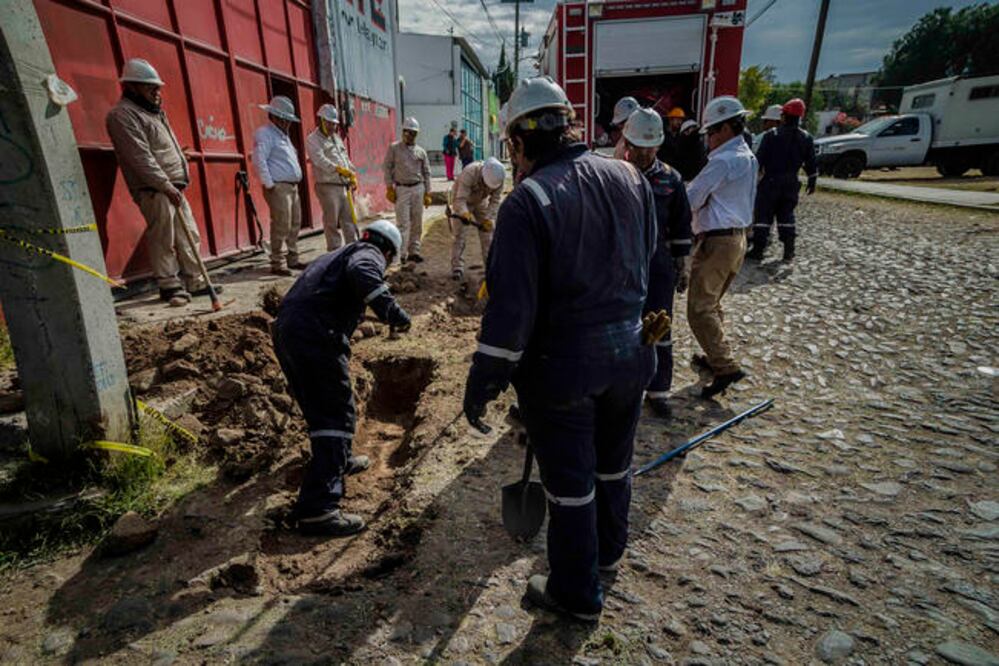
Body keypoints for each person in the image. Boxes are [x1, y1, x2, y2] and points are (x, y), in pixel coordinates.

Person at [463, 77, 656, 621]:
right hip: (632, 351)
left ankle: (576, 593)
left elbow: (510, 313)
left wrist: (484, 380)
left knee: (570, 486)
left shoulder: (527, 201)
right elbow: (647, 259)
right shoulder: (630, 177)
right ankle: (608, 552)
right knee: (614, 465)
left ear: (519, 142)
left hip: (565, 372)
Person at [273, 219, 412, 536]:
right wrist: (391, 310)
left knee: (320, 408)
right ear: (388, 252)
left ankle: (339, 458)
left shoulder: (338, 254)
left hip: (289, 332)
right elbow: (363, 271)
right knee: (337, 413)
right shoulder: (369, 253)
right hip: (315, 335)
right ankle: (318, 509)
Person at [106, 58, 217, 307]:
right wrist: (165, 185)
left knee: (189, 235)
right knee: (163, 238)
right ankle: (169, 286)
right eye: (150, 87)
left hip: (173, 186)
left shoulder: (154, 113)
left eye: (157, 88)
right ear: (131, 86)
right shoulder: (123, 115)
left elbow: (158, 148)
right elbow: (140, 158)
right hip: (155, 189)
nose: (157, 92)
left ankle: (196, 281)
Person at [622, 109, 693, 419]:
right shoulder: (614, 176)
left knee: (659, 326)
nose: (644, 154)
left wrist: (683, 264)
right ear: (627, 143)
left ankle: (659, 390)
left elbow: (681, 225)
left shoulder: (671, 179)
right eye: (638, 147)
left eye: (650, 148)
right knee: (623, 326)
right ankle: (623, 388)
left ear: (659, 145)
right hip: (621, 264)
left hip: (658, 265)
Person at [685, 96, 758, 398]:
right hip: (737, 238)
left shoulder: (723, 161)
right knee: (712, 304)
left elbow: (692, 199)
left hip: (718, 241)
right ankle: (715, 356)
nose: (709, 139)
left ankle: (725, 366)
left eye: (712, 132)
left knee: (699, 308)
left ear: (727, 128)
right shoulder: (747, 156)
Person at [748, 98, 817, 262]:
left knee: (763, 215)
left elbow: (759, 160)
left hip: (771, 181)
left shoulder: (771, 135)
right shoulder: (806, 137)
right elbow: (811, 162)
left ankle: (758, 250)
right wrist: (812, 181)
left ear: (783, 116)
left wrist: (752, 180)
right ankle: (789, 250)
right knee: (786, 215)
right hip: (791, 183)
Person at [254, 95, 305, 276]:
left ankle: (292, 258)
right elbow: (259, 159)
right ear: (276, 117)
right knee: (282, 224)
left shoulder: (283, 136)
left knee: (294, 223)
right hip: (278, 186)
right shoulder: (265, 134)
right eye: (285, 119)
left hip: (291, 186)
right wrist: (269, 184)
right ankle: (278, 261)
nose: (288, 123)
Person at [306, 104, 358, 252]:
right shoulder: (313, 139)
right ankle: (335, 251)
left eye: (334, 124)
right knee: (332, 222)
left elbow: (345, 158)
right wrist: (337, 169)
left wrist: (352, 174)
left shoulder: (336, 138)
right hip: (327, 186)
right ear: (320, 120)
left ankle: (352, 249)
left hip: (344, 185)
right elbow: (318, 159)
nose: (332, 127)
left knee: (349, 220)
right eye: (329, 123)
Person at [383, 117, 432, 263]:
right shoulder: (394, 149)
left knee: (417, 223)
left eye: (413, 133)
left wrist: (428, 193)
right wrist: (389, 187)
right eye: (407, 132)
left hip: (418, 188)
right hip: (402, 189)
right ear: (403, 132)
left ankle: (414, 251)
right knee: (403, 224)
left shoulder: (421, 152)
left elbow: (427, 172)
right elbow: (387, 167)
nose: (410, 135)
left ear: (417, 134)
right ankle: (401, 254)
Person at [448, 157, 505, 281]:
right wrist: (464, 213)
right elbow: (460, 199)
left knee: (488, 234)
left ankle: (490, 267)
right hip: (462, 200)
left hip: (480, 201)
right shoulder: (469, 172)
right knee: (459, 235)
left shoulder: (498, 179)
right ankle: (457, 267)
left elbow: (495, 201)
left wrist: (489, 219)